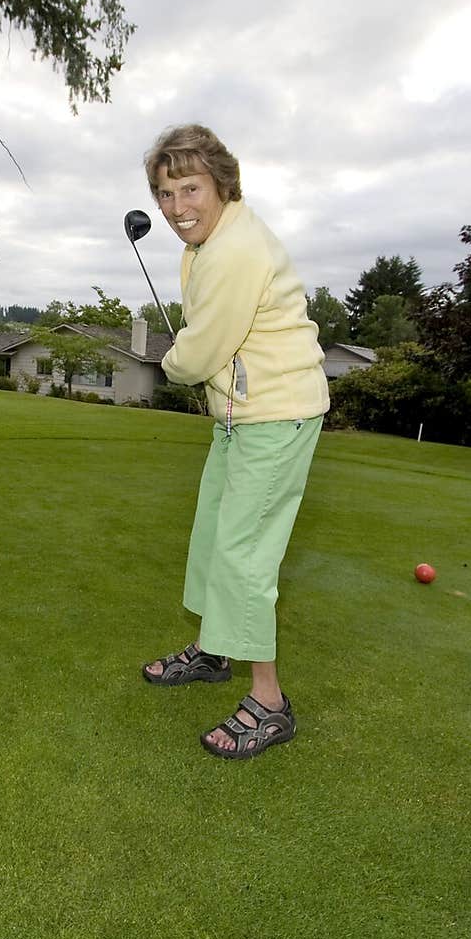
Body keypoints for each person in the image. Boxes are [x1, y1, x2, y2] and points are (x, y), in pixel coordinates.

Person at [140, 124, 329, 760]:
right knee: (213, 532)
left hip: (277, 413)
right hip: (240, 415)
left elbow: (199, 350)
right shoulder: (203, 246)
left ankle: (270, 705)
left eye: (189, 188)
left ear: (221, 184)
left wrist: (171, 362)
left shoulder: (234, 250)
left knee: (245, 551)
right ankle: (214, 650)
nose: (175, 207)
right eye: (165, 193)